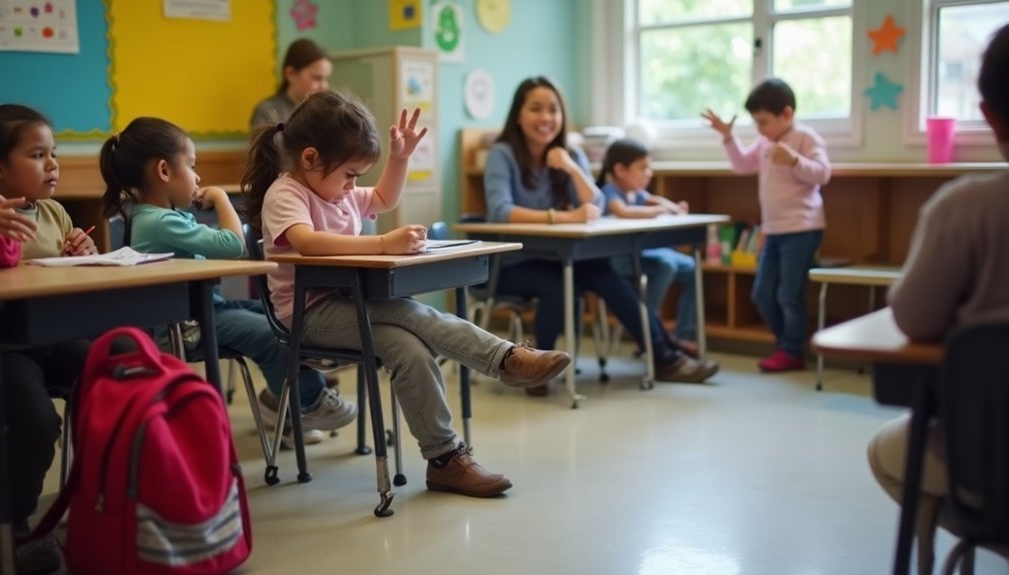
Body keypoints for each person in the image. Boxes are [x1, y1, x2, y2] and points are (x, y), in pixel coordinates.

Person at [242, 89, 572, 497]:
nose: (352, 186)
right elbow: (307, 242)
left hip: (353, 305)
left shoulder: (337, 192)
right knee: (411, 314)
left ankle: (445, 460)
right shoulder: (287, 192)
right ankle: (505, 358)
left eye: (357, 177)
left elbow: (383, 198)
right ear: (310, 158)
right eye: (349, 174)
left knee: (408, 346)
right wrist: (382, 244)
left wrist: (399, 159)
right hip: (309, 315)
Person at [99, 116, 357, 447]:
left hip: (205, 310)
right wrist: (222, 198)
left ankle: (281, 403)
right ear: (164, 171)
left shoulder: (159, 217)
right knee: (270, 334)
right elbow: (232, 247)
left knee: (279, 319)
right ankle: (306, 404)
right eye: (191, 165)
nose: (197, 176)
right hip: (183, 327)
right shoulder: (159, 221)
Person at [867, 23, 1009, 573]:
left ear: (989, 114)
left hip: (990, 457)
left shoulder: (966, 209)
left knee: (888, 450)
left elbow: (914, 317)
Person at [484, 76, 718, 394]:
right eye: (535, 109)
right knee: (555, 285)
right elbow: (500, 210)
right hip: (511, 261)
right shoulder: (503, 154)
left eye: (553, 110)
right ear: (519, 114)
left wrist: (572, 168)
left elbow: (596, 203)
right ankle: (534, 370)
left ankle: (665, 358)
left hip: (554, 254)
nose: (545, 118)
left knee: (608, 276)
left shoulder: (569, 152)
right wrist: (562, 217)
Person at [0, 100, 97, 573]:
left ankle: (115, 501)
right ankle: (12, 525)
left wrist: (84, 248)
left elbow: (71, 266)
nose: (52, 164)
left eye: (53, 154)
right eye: (36, 155)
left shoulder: (54, 213)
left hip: (54, 333)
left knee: (120, 377)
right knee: (35, 422)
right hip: (3, 346)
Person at [701, 78, 831, 372]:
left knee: (789, 293)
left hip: (802, 228)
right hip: (773, 229)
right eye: (756, 123)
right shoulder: (765, 142)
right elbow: (741, 165)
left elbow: (822, 174)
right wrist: (727, 137)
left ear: (786, 114)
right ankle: (785, 343)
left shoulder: (804, 138)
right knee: (762, 292)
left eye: (763, 122)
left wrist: (795, 160)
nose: (759, 129)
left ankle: (792, 350)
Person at [597, 138, 698, 356]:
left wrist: (674, 208)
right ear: (620, 169)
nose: (649, 173)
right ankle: (647, 329)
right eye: (642, 168)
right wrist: (658, 212)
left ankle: (683, 334)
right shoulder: (609, 191)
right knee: (665, 265)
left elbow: (655, 200)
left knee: (690, 267)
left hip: (640, 254)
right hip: (619, 260)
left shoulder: (636, 192)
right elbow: (622, 211)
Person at [250, 38, 332, 131]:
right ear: (290, 73)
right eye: (317, 78)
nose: (324, 86)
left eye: (326, 79)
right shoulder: (268, 111)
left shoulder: (325, 112)